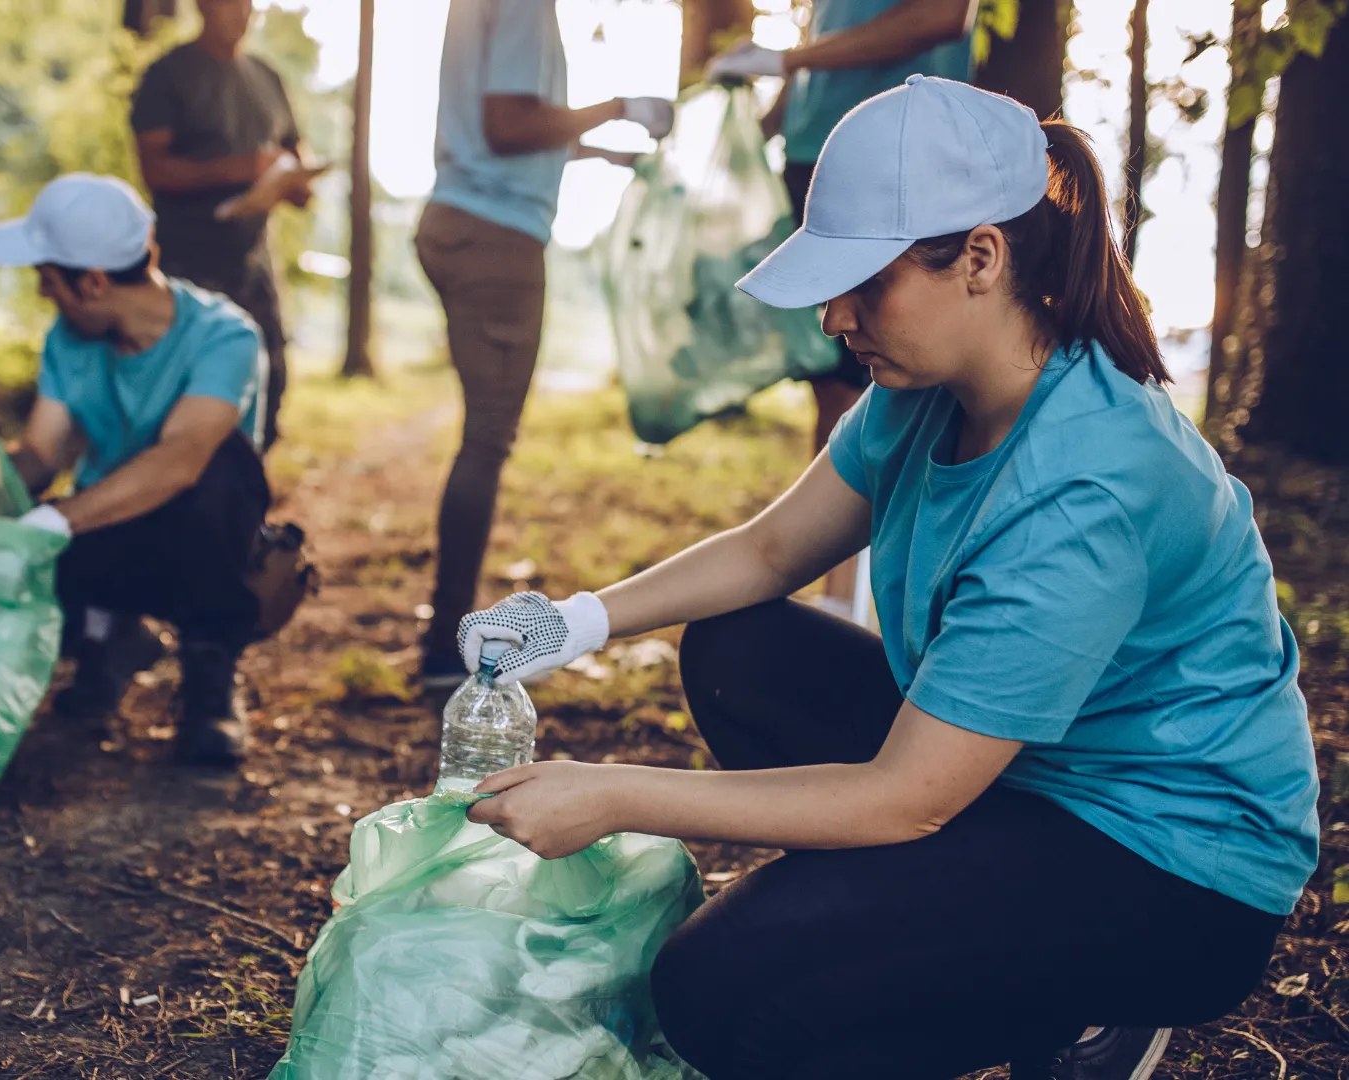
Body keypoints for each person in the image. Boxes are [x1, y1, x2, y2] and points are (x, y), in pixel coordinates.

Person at [456, 78, 1319, 1080]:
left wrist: (614, 795)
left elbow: (906, 799)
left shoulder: (1091, 485)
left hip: (1170, 874)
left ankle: (1076, 1006)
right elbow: (771, 552)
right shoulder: (925, 390)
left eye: (866, 281)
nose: (834, 315)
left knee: (719, 997)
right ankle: (911, 937)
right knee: (741, 647)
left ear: (981, 259)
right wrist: (578, 620)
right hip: (1016, 783)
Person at [415, 0, 675, 688]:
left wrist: (598, 149)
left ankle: (444, 634)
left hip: (458, 214)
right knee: (487, 439)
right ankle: (444, 647)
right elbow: (508, 127)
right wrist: (618, 104)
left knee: (483, 437)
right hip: (495, 232)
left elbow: (502, 125)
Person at [0, 174, 271, 768]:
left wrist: (57, 521)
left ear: (91, 281)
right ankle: (112, 641)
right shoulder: (69, 339)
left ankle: (210, 683)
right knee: (17, 576)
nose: (44, 293)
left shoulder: (227, 336)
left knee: (222, 467)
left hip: (198, 541)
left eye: (49, 279)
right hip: (105, 530)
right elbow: (39, 455)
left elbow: (181, 460)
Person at [709, 0, 979, 611]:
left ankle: (898, 598)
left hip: (895, 159)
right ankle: (840, 595)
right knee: (836, 387)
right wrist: (752, 123)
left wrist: (786, 58)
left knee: (907, 380)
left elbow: (941, 17)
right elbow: (823, 54)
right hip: (816, 158)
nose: (832, 313)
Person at [131, 0, 315, 450]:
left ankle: (245, 495)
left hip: (254, 259)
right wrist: (240, 168)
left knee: (270, 377)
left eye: (249, 3)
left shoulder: (266, 77)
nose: (244, 13)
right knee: (182, 385)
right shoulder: (168, 75)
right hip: (187, 259)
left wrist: (297, 181)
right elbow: (155, 169)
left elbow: (294, 151)